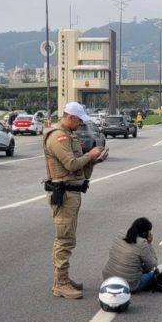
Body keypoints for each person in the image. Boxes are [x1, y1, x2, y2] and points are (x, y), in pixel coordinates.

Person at [44, 102, 105, 299]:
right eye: (79, 120)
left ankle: (63, 278)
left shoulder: (70, 136)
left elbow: (81, 170)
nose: (80, 124)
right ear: (70, 117)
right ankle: (60, 283)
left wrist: (93, 160)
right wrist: (90, 155)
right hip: (64, 193)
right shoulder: (58, 137)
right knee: (64, 239)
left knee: (69, 238)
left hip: (73, 192)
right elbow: (70, 165)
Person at [102, 217, 158, 293]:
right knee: (155, 273)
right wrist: (149, 243)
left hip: (108, 279)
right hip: (129, 285)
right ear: (145, 233)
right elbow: (152, 266)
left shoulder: (120, 234)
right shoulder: (142, 243)